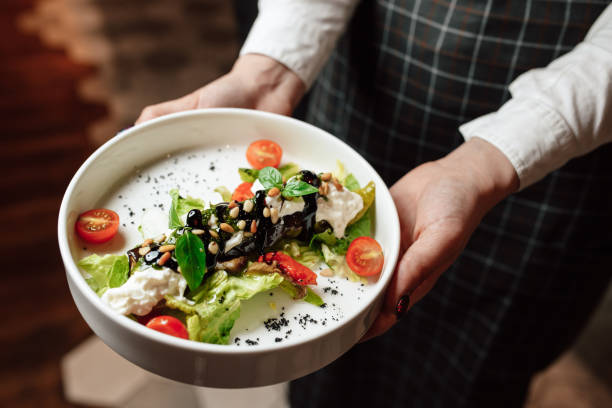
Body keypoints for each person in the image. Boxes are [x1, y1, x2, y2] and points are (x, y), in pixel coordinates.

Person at [136, 1, 612, 406]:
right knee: (322, 369)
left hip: (555, 150)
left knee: (465, 376)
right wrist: (270, 69)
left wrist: (491, 160)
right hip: (376, 80)